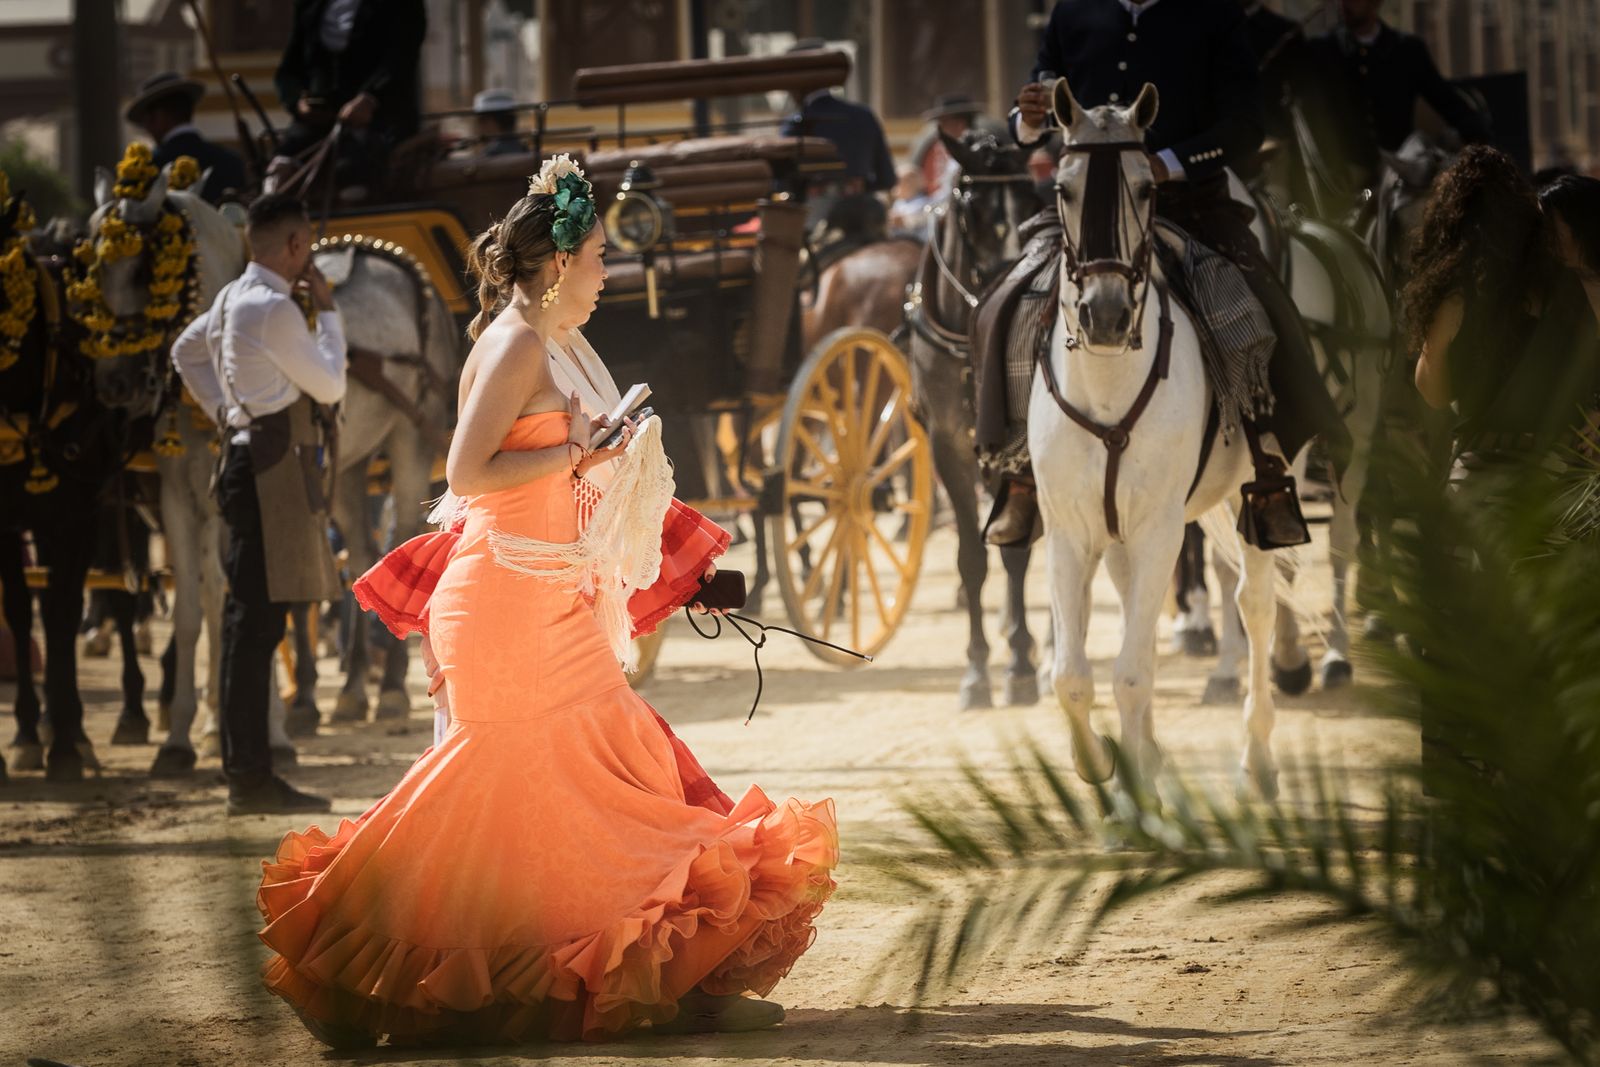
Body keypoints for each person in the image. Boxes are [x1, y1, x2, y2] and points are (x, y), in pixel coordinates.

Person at [254, 156, 839, 1048]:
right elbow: (464, 473)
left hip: (545, 597)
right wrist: (580, 456)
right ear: (559, 263)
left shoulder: (543, 341)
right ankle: (344, 954)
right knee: (498, 798)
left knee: (609, 780)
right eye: (601, 256)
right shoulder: (516, 342)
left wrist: (628, 500)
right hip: (501, 604)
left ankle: (666, 972)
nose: (610, 273)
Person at [991, 0, 1348, 546]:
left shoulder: (1213, 15)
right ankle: (1018, 463)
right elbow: (1034, 111)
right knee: (1009, 299)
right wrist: (1029, 119)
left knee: (1259, 303)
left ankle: (1267, 465)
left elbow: (1245, 127)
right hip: (1087, 212)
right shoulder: (1072, 12)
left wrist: (1166, 164)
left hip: (1189, 205)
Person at [170, 194, 345, 815]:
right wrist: (330, 315)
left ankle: (248, 771)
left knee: (252, 623)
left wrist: (224, 411)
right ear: (296, 246)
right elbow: (330, 383)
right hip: (270, 467)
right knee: (256, 625)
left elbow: (184, 352)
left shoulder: (229, 300)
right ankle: (249, 777)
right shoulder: (273, 308)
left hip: (248, 456)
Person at [1407, 148, 1597, 466]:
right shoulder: (1464, 299)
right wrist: (1438, 339)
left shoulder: (1568, 281)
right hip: (1490, 458)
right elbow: (1437, 396)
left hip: (1558, 461)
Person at [1307, 0, 1490, 189]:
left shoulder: (1407, 49)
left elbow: (1447, 101)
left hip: (1401, 173)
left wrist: (1476, 134)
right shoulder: (1323, 50)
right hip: (1346, 178)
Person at [269, 0, 427, 195]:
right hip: (318, 123)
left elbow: (402, 57)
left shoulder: (401, 5)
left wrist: (370, 97)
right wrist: (298, 103)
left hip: (380, 119)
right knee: (279, 171)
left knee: (353, 175)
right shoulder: (309, 6)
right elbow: (288, 71)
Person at [780, 39, 896, 238]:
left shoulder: (798, 123)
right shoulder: (864, 115)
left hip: (818, 217)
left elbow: (781, 184)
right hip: (866, 213)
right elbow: (887, 178)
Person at [124, 71, 248, 205]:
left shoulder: (144, 169)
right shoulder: (231, 162)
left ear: (159, 116)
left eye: (147, 120)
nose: (147, 127)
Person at [470, 88, 525, 157]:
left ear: (493, 121)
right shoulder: (523, 149)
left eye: (482, 120)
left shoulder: (491, 154)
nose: (479, 125)